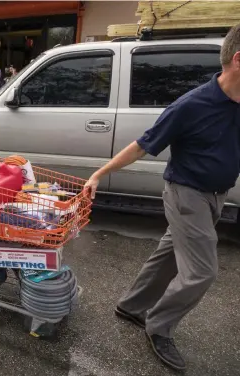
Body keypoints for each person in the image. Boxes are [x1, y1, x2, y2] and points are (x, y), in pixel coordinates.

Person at [83, 24, 240, 371]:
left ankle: (132, 306)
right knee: (202, 271)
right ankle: (159, 325)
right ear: (239, 60)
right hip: (187, 195)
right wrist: (98, 174)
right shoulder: (191, 105)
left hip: (217, 195)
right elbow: (142, 145)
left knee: (169, 256)